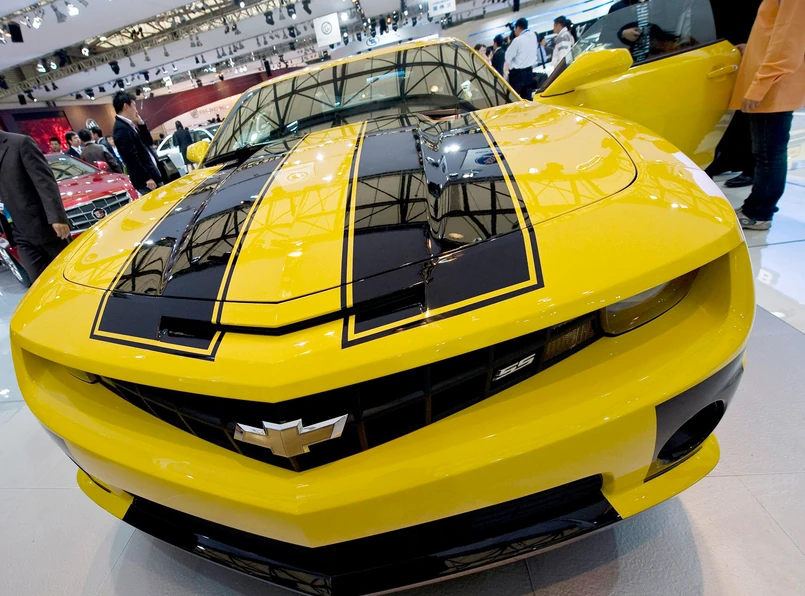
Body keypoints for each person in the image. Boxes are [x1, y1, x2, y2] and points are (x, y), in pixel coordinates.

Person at [733, 0, 805, 231]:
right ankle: (757, 209)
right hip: (772, 81)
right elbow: (773, 32)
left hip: (774, 86)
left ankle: (759, 212)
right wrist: (753, 48)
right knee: (768, 152)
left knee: (769, 154)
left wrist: (760, 86)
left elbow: (787, 42)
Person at [705, 0, 765, 187]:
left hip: (747, 49)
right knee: (726, 109)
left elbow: (767, 15)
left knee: (747, 109)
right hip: (719, 48)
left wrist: (755, 44)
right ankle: (730, 158)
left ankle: (752, 166)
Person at [0, 130, 71, 281]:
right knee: (39, 283)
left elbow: (44, 182)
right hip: (17, 231)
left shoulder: (20, 143)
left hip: (45, 227)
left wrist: (57, 217)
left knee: (69, 273)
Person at [112, 91, 162, 195]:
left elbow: (148, 142)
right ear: (126, 106)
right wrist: (147, 178)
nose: (136, 110)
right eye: (134, 106)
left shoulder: (129, 125)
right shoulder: (121, 129)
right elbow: (131, 158)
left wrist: (141, 124)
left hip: (153, 176)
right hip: (148, 182)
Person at [505, 17, 538, 98]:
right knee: (527, 98)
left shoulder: (517, 40)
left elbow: (508, 57)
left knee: (513, 97)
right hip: (529, 71)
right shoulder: (533, 35)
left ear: (517, 27)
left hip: (517, 74)